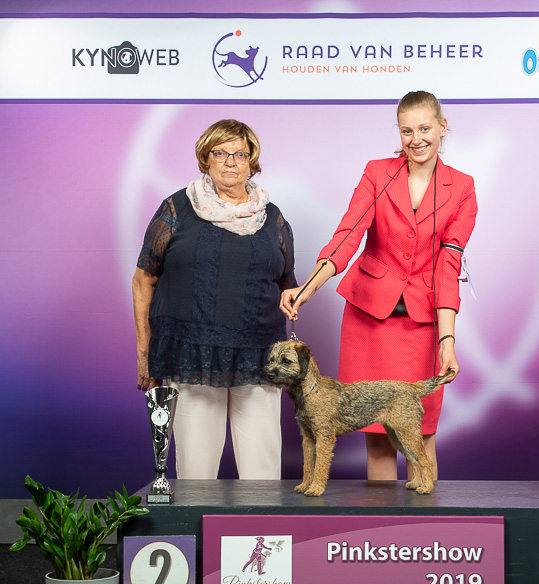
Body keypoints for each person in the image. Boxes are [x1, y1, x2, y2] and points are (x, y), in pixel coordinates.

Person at [280, 91, 477, 481]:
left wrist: (447, 341)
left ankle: (424, 519)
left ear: (442, 127)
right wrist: (308, 288)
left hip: (424, 326)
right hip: (368, 321)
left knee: (421, 436)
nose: (416, 139)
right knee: (379, 439)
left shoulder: (462, 187)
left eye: (425, 128)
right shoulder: (377, 173)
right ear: (398, 132)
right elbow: (348, 235)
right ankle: (383, 521)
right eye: (407, 131)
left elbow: (448, 266)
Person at [133, 119, 297, 480]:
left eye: (240, 154)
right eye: (220, 153)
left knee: (263, 477)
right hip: (193, 356)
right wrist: (145, 352)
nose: (230, 161)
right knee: (195, 475)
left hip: (258, 357)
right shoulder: (176, 209)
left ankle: (260, 523)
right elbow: (144, 279)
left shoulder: (272, 216)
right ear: (205, 158)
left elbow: (287, 281)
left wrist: (295, 294)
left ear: (252, 161)